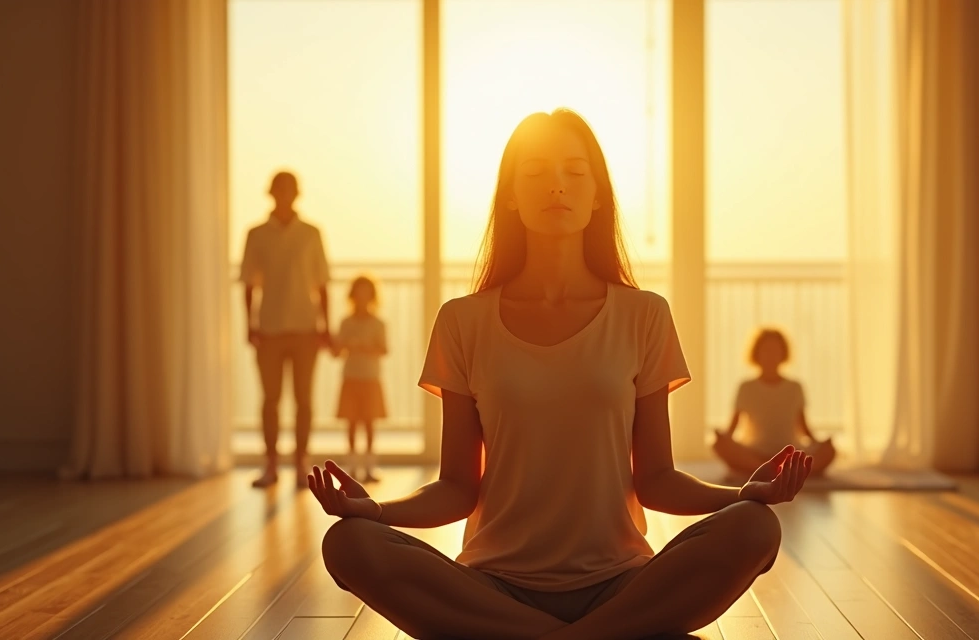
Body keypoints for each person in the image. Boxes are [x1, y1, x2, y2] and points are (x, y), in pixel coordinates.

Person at [308, 109, 813, 639]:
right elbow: (458, 487)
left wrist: (744, 496)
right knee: (348, 542)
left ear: (598, 195)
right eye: (536, 174)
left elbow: (657, 481)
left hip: (619, 583)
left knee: (755, 526)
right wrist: (374, 510)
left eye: (575, 173)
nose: (556, 187)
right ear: (510, 195)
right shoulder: (462, 320)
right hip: (494, 587)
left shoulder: (644, 315)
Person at [240, 170, 332, 489]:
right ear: (271, 192)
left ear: (296, 193)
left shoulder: (311, 233)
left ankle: (301, 463)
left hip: (306, 327)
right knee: (270, 399)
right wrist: (248, 324)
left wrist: (326, 326)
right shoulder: (256, 234)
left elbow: (322, 283)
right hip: (269, 328)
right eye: (279, 189)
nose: (284, 194)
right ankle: (270, 464)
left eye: (289, 189)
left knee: (304, 399)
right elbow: (249, 283)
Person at [712, 328, 836, 482]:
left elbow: (804, 428)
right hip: (754, 453)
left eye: (775, 350)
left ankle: (770, 471)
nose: (771, 355)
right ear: (756, 353)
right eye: (766, 350)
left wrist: (821, 443)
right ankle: (775, 471)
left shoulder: (795, 387)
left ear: (783, 353)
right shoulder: (746, 387)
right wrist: (723, 439)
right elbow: (731, 429)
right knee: (719, 445)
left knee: (829, 450)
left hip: (790, 453)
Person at [331, 275, 388, 483]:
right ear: (353, 296)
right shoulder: (346, 322)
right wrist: (342, 343)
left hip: (371, 378)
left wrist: (362, 346)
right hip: (351, 378)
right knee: (352, 424)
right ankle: (353, 467)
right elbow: (336, 351)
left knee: (370, 423)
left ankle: (370, 467)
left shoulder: (378, 323)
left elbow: (384, 349)